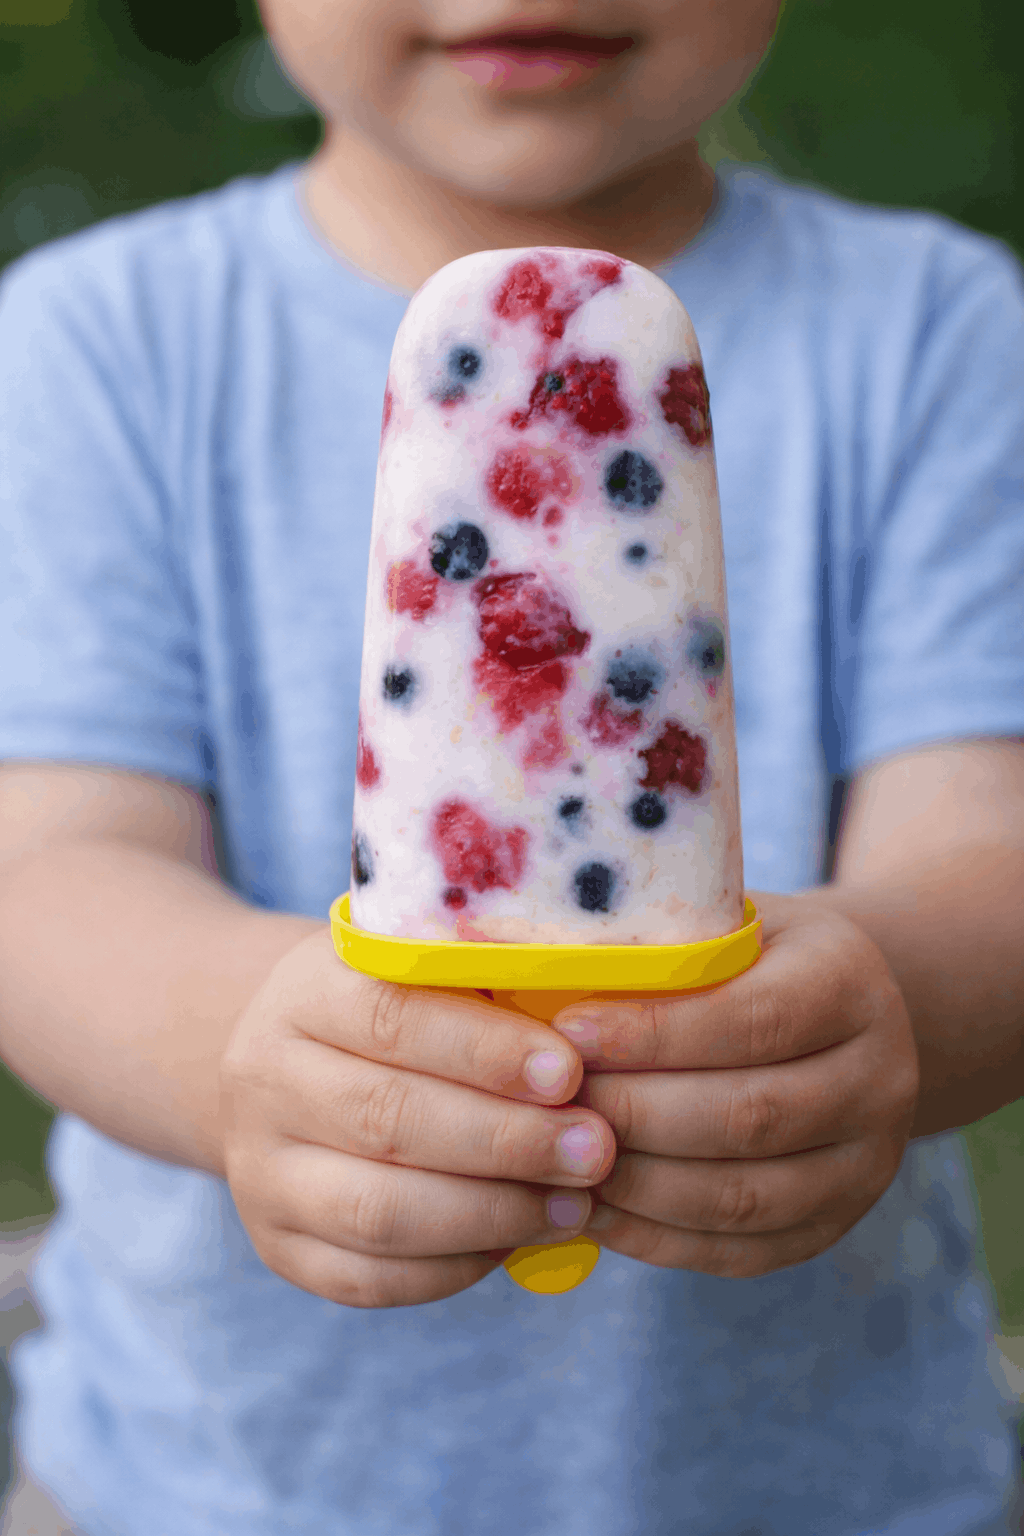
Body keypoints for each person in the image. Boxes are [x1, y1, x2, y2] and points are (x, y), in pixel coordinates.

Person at [0, 0, 1022, 1530]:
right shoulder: (91, 342)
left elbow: (990, 851)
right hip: (200, 1487)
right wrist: (248, 1063)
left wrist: (886, 1008)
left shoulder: (951, 331)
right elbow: (44, 869)